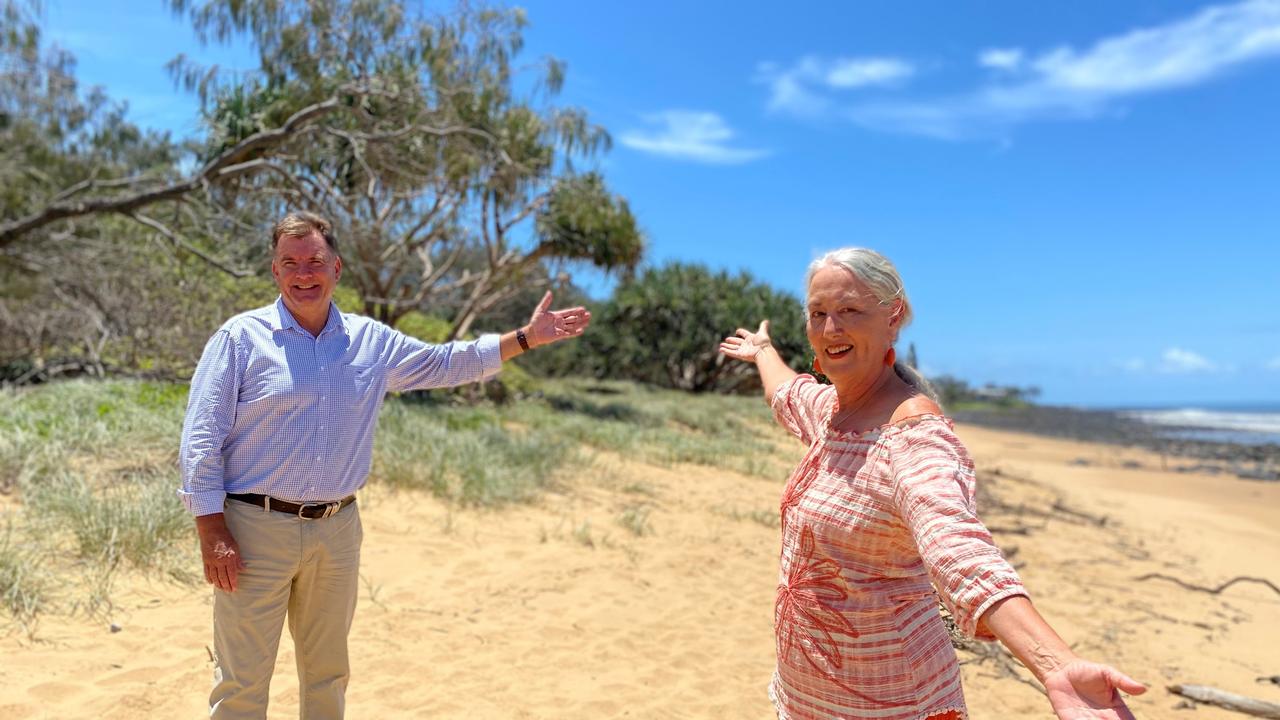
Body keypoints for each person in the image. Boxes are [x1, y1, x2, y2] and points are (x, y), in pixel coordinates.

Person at [178, 212, 590, 719]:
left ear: (338, 268)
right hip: (252, 531)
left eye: (315, 261)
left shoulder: (370, 342)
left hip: (337, 531)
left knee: (327, 676)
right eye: (290, 263)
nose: (303, 273)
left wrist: (525, 339)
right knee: (241, 682)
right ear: (274, 272)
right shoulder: (240, 338)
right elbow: (201, 438)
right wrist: (211, 529)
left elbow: (444, 363)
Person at [719, 247, 1145, 720]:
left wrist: (1055, 665)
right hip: (807, 699)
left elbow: (958, 548)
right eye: (818, 314)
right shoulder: (834, 413)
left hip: (895, 703)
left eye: (850, 311)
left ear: (893, 316)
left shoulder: (912, 439)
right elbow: (788, 393)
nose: (830, 330)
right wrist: (762, 352)